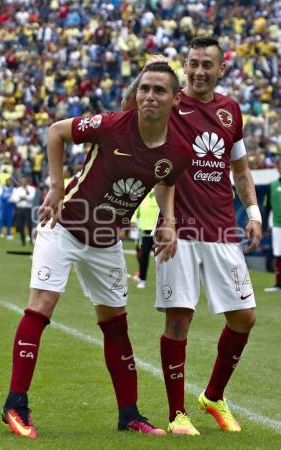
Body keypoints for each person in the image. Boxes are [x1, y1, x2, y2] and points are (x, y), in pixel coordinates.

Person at [1, 63, 193, 439]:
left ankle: (130, 416)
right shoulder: (112, 125)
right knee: (42, 303)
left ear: (175, 98)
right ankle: (15, 404)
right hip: (64, 227)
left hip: (106, 242)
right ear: (137, 94)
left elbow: (166, 179)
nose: (150, 96)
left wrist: (168, 220)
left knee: (116, 325)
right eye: (145, 89)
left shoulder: (178, 151)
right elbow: (56, 132)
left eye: (159, 90)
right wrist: (56, 187)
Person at [122, 37, 262, 435]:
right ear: (184, 66)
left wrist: (252, 212)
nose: (199, 71)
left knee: (244, 317)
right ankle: (176, 413)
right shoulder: (168, 103)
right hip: (179, 231)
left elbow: (240, 170)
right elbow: (156, 160)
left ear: (221, 70)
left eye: (207, 65)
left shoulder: (231, 111)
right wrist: (165, 219)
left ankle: (214, 395)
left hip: (221, 230)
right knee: (179, 320)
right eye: (192, 63)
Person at [131, 189, 159, 289]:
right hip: (144, 230)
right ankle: (142, 280)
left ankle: (165, 280)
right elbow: (135, 208)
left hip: (158, 230)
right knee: (144, 256)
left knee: (161, 257)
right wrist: (133, 220)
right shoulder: (142, 194)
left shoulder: (160, 194)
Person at [264, 158, 281, 292]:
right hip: (277, 225)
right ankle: (278, 284)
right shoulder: (272, 185)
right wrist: (264, 226)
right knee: (278, 254)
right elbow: (268, 207)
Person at [12, 176, 36, 245]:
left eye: (25, 181)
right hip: (20, 209)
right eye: (22, 181)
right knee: (20, 225)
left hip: (27, 209)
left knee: (29, 225)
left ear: (27, 181)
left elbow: (31, 197)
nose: (23, 182)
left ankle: (31, 239)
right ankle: (23, 241)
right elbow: (14, 199)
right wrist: (23, 198)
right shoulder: (17, 189)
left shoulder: (31, 189)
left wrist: (22, 197)